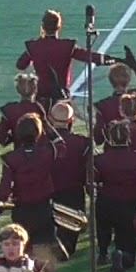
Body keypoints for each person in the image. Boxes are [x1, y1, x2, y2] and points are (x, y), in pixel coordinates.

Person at [16, 9, 119, 111]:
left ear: (43, 26)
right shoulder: (67, 46)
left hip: (41, 97)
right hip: (61, 96)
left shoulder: (34, 46)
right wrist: (113, 60)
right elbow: (89, 57)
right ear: (59, 27)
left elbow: (20, 65)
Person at [0, 114, 61, 261]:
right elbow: (61, 145)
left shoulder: (10, 158)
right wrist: (46, 125)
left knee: (24, 251)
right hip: (44, 207)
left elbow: (4, 191)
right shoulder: (47, 151)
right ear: (39, 133)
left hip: (22, 210)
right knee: (45, 251)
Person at [91, 120, 136, 272]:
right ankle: (123, 256)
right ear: (128, 137)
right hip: (129, 203)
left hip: (106, 202)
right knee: (128, 237)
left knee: (103, 228)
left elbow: (91, 182)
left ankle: (103, 252)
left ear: (110, 138)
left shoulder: (99, 159)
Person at [47, 101, 92, 258]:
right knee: (69, 239)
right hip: (73, 195)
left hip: (48, 193)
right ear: (71, 121)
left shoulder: (43, 142)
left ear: (50, 120)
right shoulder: (82, 142)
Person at [91, 51, 136, 146]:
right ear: (129, 80)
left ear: (110, 80)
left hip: (112, 150)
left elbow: (98, 139)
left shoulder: (102, 105)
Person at [0, 73, 46, 147]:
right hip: (42, 154)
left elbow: (0, 138)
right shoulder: (43, 107)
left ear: (17, 89)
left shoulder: (10, 110)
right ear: (36, 90)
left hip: (19, 154)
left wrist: (12, 136)